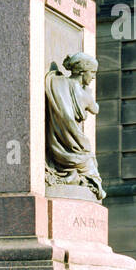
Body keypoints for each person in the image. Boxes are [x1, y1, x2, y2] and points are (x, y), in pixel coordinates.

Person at [45, 53, 105, 200]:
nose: (93, 77)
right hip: (75, 143)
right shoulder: (84, 94)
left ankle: (71, 176)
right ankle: (78, 178)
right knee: (93, 174)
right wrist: (89, 94)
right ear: (81, 72)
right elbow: (95, 109)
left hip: (58, 141)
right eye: (92, 73)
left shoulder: (57, 82)